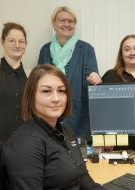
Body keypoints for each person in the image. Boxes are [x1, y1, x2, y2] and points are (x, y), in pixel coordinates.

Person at [3, 64, 104, 190]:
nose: (56, 99)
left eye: (61, 91)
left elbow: (82, 177)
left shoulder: (65, 129)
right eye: (46, 91)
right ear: (31, 96)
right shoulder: (25, 142)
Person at [38, 6, 102, 141]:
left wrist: (94, 79)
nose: (67, 24)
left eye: (71, 21)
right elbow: (39, 82)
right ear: (54, 24)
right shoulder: (45, 50)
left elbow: (90, 80)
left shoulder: (86, 49)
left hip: (77, 116)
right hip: (50, 112)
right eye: (62, 20)